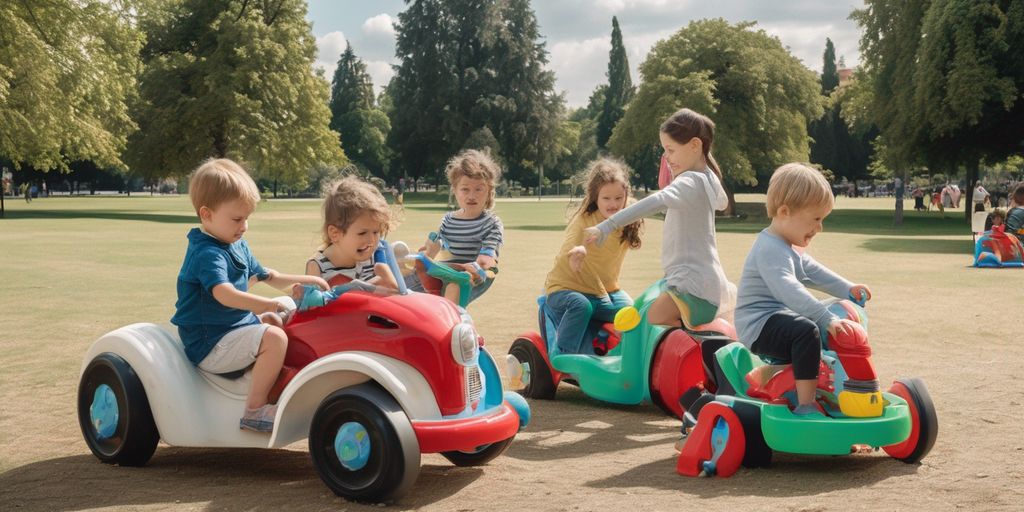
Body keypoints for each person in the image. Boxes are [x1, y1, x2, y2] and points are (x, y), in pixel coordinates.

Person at [170, 158, 329, 433]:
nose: (243, 226)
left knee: (285, 317)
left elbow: (269, 277)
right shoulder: (208, 253)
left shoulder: (235, 243)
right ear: (206, 214)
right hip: (209, 343)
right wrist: (268, 303)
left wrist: (309, 281)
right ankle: (255, 410)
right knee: (274, 336)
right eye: (236, 219)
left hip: (231, 330)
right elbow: (224, 294)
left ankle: (277, 381)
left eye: (247, 219)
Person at [735, 163, 871, 416]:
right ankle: (806, 404)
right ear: (785, 211)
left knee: (822, 327)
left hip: (777, 319)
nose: (819, 228)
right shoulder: (770, 248)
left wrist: (847, 289)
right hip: (758, 325)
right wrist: (823, 316)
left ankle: (791, 379)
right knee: (808, 330)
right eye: (816, 219)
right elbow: (788, 289)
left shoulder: (787, 246)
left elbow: (815, 271)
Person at [584, 108, 735, 329]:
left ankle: (690, 347)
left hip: (690, 285)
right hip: (707, 285)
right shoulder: (707, 179)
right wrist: (675, 171)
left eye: (670, 150)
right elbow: (721, 202)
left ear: (695, 145)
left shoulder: (689, 182)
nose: (666, 157)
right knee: (651, 311)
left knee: (649, 320)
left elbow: (655, 201)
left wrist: (607, 225)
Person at [541, 158, 643, 355]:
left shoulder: (629, 215)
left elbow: (656, 203)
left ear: (626, 195)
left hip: (606, 292)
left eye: (618, 198)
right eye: (606, 198)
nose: (613, 204)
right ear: (595, 197)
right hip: (565, 288)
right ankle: (563, 354)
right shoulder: (584, 220)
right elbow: (572, 243)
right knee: (581, 305)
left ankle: (617, 352)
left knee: (633, 315)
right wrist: (577, 251)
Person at [422, 149, 504, 306]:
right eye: (465, 189)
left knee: (455, 288)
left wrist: (478, 265)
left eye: (479, 189)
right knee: (412, 283)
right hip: (449, 270)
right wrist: (426, 254)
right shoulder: (448, 220)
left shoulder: (491, 223)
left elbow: (485, 260)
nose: (471, 196)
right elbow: (433, 250)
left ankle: (451, 327)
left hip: (478, 274)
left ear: (489, 192)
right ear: (455, 191)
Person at [306, 176, 399, 290]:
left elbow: (395, 291)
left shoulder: (376, 256)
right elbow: (311, 304)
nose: (372, 240)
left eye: (376, 232)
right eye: (362, 233)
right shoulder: (317, 268)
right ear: (335, 233)